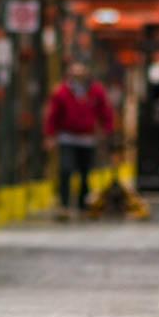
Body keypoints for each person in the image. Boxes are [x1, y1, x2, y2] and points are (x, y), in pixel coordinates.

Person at [44, 61, 115, 216]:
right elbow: (52, 115)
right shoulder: (61, 91)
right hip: (66, 137)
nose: (78, 75)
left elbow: (105, 111)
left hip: (87, 139)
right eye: (74, 72)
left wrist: (107, 130)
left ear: (86, 72)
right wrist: (50, 135)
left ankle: (83, 205)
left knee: (85, 172)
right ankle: (64, 205)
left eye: (80, 71)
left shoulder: (96, 90)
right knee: (65, 169)